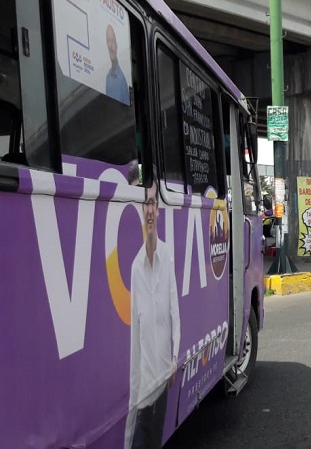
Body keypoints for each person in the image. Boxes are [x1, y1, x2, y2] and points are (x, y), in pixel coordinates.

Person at [125, 179, 180, 449]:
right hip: (146, 384)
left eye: (153, 204)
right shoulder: (136, 267)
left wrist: (174, 357)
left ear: (158, 210)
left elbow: (174, 312)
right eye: (146, 204)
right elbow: (136, 336)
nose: (149, 210)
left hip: (163, 374)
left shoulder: (167, 255)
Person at [105, 24, 130, 105]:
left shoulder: (123, 80)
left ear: (116, 45)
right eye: (108, 41)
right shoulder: (108, 77)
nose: (110, 46)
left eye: (112, 40)